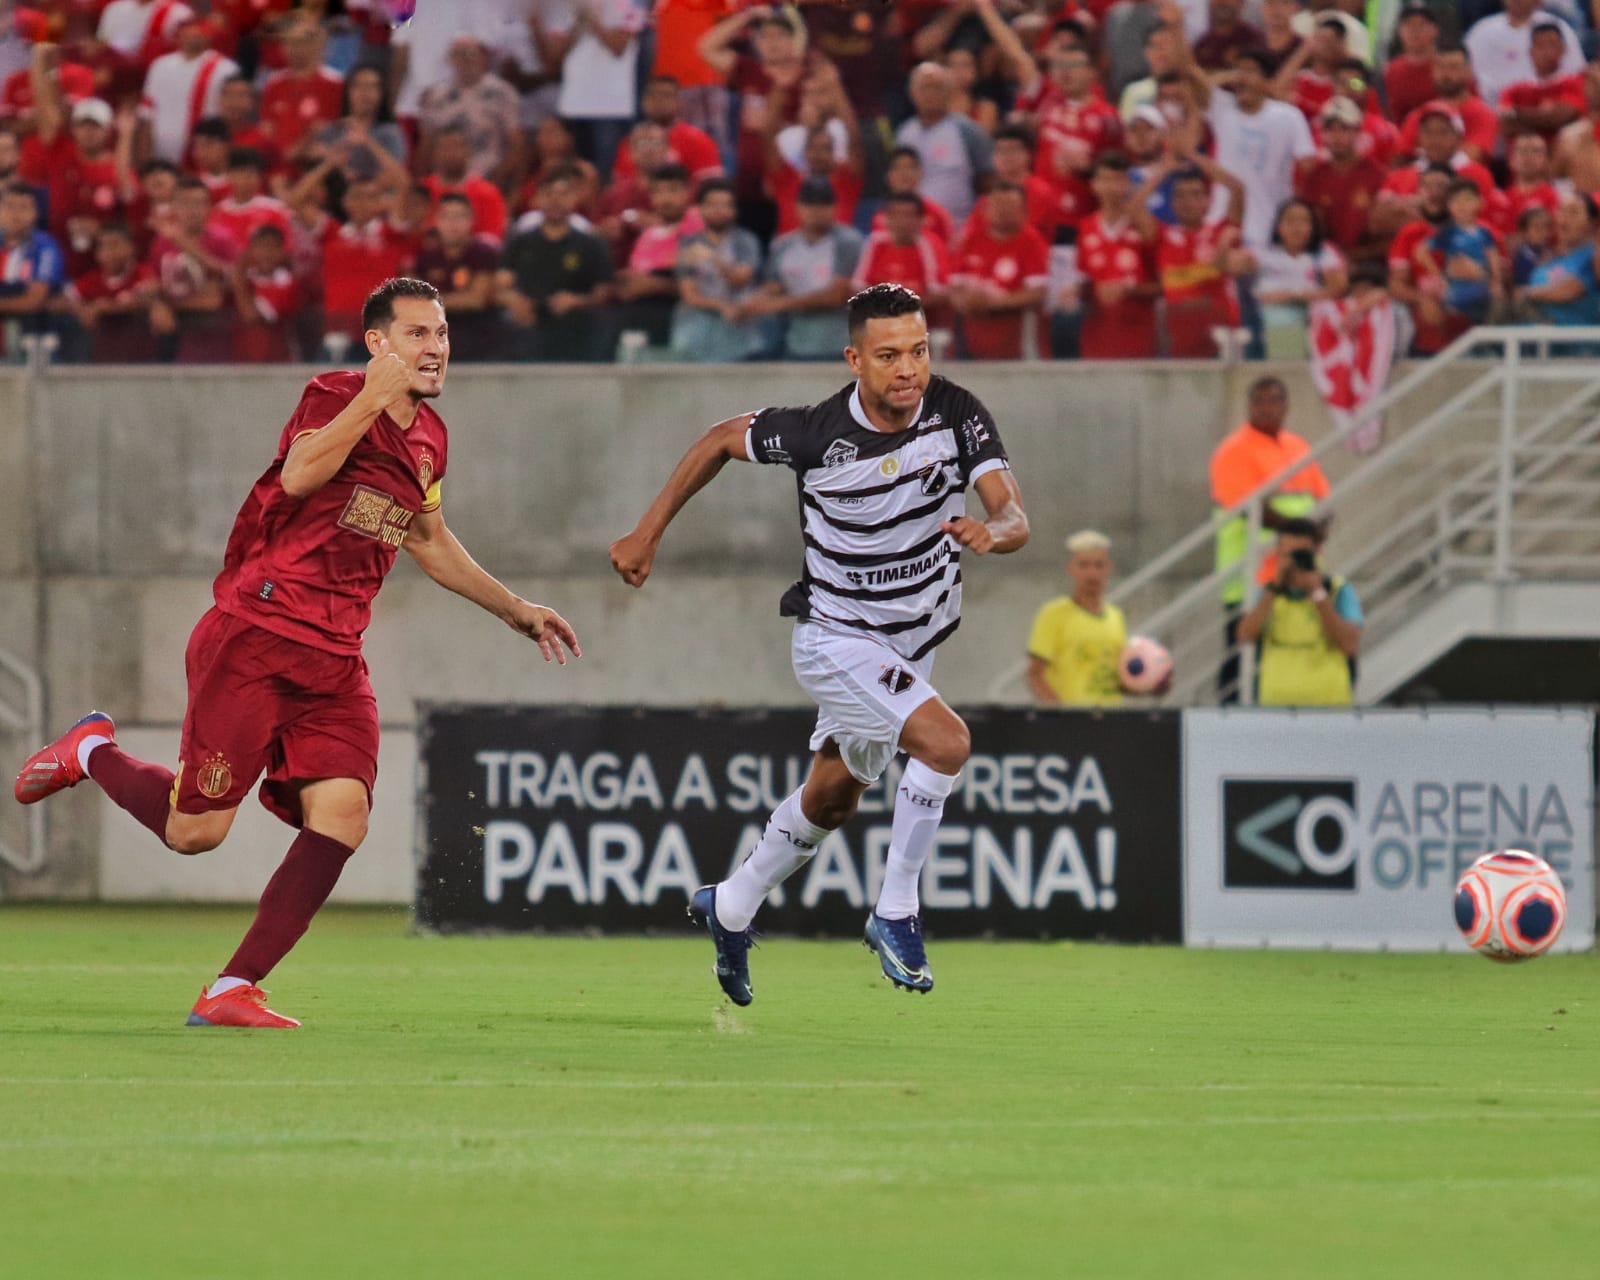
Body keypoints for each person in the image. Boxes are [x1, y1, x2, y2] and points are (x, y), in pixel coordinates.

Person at [14, 277, 580, 1028]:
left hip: (335, 659)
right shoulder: (333, 394)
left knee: (343, 813)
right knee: (195, 832)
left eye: (442, 335)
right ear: (377, 343)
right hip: (257, 636)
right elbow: (300, 474)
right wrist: (369, 399)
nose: (436, 349)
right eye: (417, 334)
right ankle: (92, 751)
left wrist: (516, 610)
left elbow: (427, 538)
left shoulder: (431, 440)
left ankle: (231, 988)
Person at [609, 282, 1029, 1003]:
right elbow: (716, 439)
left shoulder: (956, 413)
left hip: (910, 647)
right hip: (837, 638)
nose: (910, 369)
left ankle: (732, 903)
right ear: (855, 360)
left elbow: (1012, 508)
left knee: (833, 799)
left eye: (920, 351)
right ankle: (896, 911)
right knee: (947, 744)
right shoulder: (811, 433)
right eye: (890, 355)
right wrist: (647, 532)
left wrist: (999, 531)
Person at [1209, 376, 1331, 702]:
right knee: (1242, 653)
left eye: (1275, 400)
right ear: (1249, 406)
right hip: (1252, 573)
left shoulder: (1298, 446)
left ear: (1286, 405)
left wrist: (1320, 529)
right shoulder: (1234, 450)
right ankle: (1228, 716)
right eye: (1260, 401)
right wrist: (1304, 533)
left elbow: (1322, 496)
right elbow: (1252, 510)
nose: (1268, 408)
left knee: (1290, 653)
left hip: (1299, 572)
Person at [1236, 518, 1361, 706]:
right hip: (1276, 705)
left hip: (1329, 705)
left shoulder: (1337, 590)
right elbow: (1245, 635)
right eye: (1288, 555)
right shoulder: (1268, 594)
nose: (1294, 562)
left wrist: (1317, 593)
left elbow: (1350, 644)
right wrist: (1274, 588)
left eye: (1301, 555)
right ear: (1278, 553)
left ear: (1317, 552)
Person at [498, 166, 615, 363]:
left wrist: (577, 300)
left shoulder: (591, 243)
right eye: (548, 194)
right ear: (537, 199)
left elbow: (605, 291)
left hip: (575, 328)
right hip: (528, 324)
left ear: (574, 198)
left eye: (563, 194)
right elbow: (501, 285)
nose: (555, 200)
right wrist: (515, 301)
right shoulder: (520, 241)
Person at [750, 176, 862, 361]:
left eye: (824, 204)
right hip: (797, 344)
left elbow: (837, 295)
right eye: (810, 204)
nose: (817, 211)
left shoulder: (848, 242)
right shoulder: (783, 246)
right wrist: (753, 301)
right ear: (798, 207)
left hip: (840, 346)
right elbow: (776, 286)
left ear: (834, 207)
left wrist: (781, 304)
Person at [1025, 530, 1128, 707]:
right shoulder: (1053, 614)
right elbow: (1035, 674)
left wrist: (1149, 682)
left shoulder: (1116, 617)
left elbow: (1116, 676)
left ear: (1108, 568)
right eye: (1084, 565)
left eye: (1099, 565)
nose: (1092, 573)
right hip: (1073, 720)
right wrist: (1062, 713)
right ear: (1071, 568)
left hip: (1111, 718)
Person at [949, 183, 1050, 360]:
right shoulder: (971, 239)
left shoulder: (1032, 242)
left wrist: (995, 302)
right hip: (969, 338)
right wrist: (964, 302)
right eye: (997, 204)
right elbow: (954, 286)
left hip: (1016, 344)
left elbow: (1038, 292)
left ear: (1023, 211)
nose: (1002, 211)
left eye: (1009, 206)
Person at [670, 176, 763, 362]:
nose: (719, 211)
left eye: (725, 205)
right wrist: (723, 306)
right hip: (695, 331)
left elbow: (740, 279)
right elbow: (689, 294)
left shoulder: (745, 241)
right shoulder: (688, 243)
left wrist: (714, 259)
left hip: (737, 331)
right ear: (701, 208)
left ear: (734, 210)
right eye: (712, 205)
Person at [1251, 198, 1347, 358]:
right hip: (1273, 313)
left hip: (1314, 310)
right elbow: (1230, 266)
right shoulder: (1265, 252)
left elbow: (1338, 289)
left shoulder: (1324, 252)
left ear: (1313, 226)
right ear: (1278, 226)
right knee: (1281, 320)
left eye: (1303, 221)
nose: (1297, 228)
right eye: (1290, 221)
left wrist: (1290, 296)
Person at [1415, 179, 1502, 325]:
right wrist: (1439, 275)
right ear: (1448, 206)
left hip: (1481, 283)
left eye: (1467, 200)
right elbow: (1420, 251)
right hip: (1457, 287)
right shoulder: (1448, 232)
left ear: (1479, 202)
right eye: (1456, 201)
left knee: (1493, 301)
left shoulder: (1484, 232)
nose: (1462, 206)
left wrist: (1496, 280)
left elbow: (1492, 256)